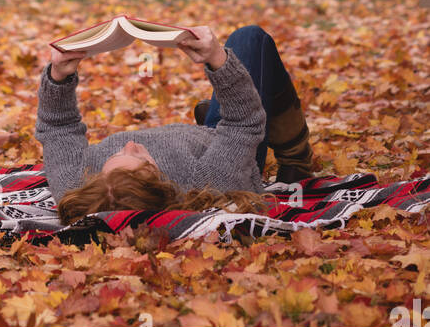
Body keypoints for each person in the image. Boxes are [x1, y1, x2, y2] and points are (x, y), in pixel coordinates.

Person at [36, 23, 314, 226]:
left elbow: (57, 129)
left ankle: (211, 114)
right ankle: (295, 153)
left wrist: (58, 75)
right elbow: (243, 122)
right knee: (250, 39)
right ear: (163, 186)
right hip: (225, 139)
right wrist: (217, 58)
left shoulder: (77, 185)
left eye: (116, 156)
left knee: (238, 87)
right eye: (139, 158)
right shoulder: (209, 180)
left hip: (203, 140)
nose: (130, 145)